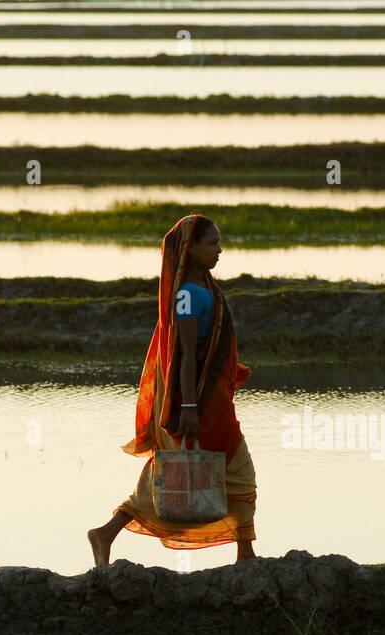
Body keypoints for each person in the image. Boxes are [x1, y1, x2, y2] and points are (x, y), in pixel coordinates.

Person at [87, 213, 257, 566]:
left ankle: (107, 532)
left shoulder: (203, 289)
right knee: (237, 467)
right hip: (198, 398)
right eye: (212, 243)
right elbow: (184, 356)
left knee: (172, 468)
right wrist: (191, 406)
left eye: (219, 243)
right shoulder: (190, 295)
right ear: (190, 249)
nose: (219, 250)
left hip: (208, 396)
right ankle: (245, 552)